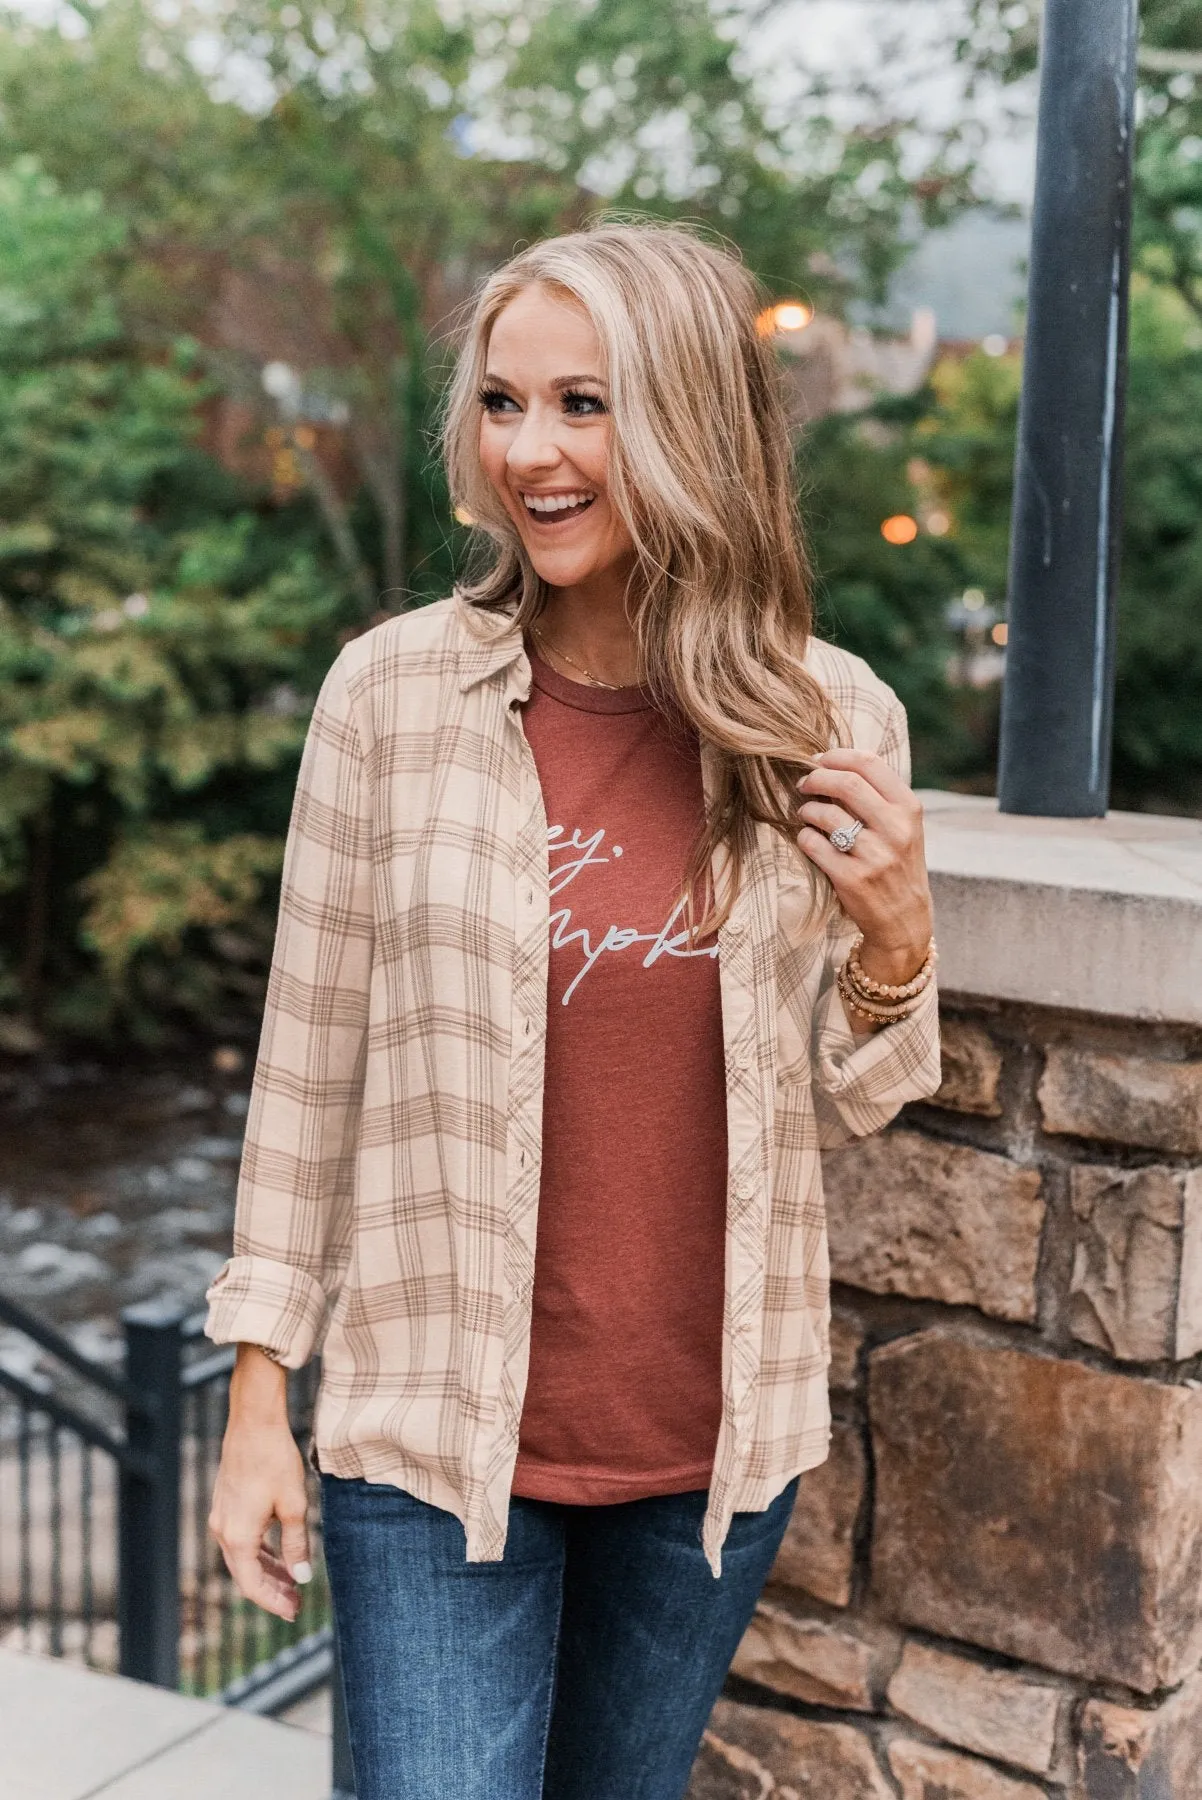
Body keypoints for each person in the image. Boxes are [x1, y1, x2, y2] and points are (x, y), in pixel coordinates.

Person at [204, 219, 941, 1800]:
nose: (528, 450)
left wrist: (895, 932)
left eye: (584, 405)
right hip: (429, 1442)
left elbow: (865, 1093)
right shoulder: (390, 699)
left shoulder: (828, 714)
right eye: (502, 401)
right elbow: (307, 1061)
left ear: (685, 423)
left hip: (711, 1460)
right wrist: (258, 1396)